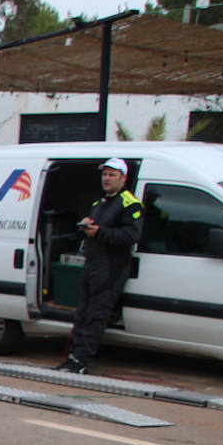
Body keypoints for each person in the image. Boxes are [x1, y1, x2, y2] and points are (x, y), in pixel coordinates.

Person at [56, 158, 144, 374]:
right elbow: (92, 229)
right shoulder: (99, 203)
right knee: (82, 313)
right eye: (104, 174)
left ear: (123, 178)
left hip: (110, 267)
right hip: (92, 263)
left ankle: (81, 360)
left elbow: (132, 234)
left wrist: (99, 232)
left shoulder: (129, 203)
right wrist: (85, 226)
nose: (106, 178)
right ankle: (72, 357)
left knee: (96, 314)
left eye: (112, 174)